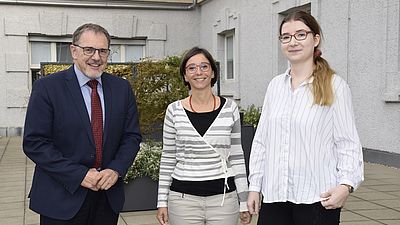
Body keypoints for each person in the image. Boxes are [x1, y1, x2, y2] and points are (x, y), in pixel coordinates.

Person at [247, 11, 364, 225]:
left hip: (317, 199)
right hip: (275, 196)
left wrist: (345, 185)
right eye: (286, 36)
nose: (293, 42)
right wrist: (255, 186)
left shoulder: (334, 85)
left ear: (315, 39)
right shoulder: (275, 86)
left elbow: (347, 142)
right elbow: (262, 141)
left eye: (301, 35)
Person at [23, 23, 142, 225]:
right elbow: (35, 142)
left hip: (106, 198)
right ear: (74, 51)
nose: (96, 57)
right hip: (61, 198)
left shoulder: (121, 88)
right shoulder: (47, 87)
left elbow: (131, 137)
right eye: (89, 50)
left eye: (102, 51)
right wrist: (79, 175)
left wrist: (116, 169)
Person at [156, 47, 251, 225]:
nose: (198, 72)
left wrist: (243, 201)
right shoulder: (173, 111)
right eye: (191, 68)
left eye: (204, 66)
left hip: (223, 201)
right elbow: (168, 158)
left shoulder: (230, 108)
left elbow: (237, 157)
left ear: (213, 72)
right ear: (185, 76)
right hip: (183, 202)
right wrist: (162, 201)